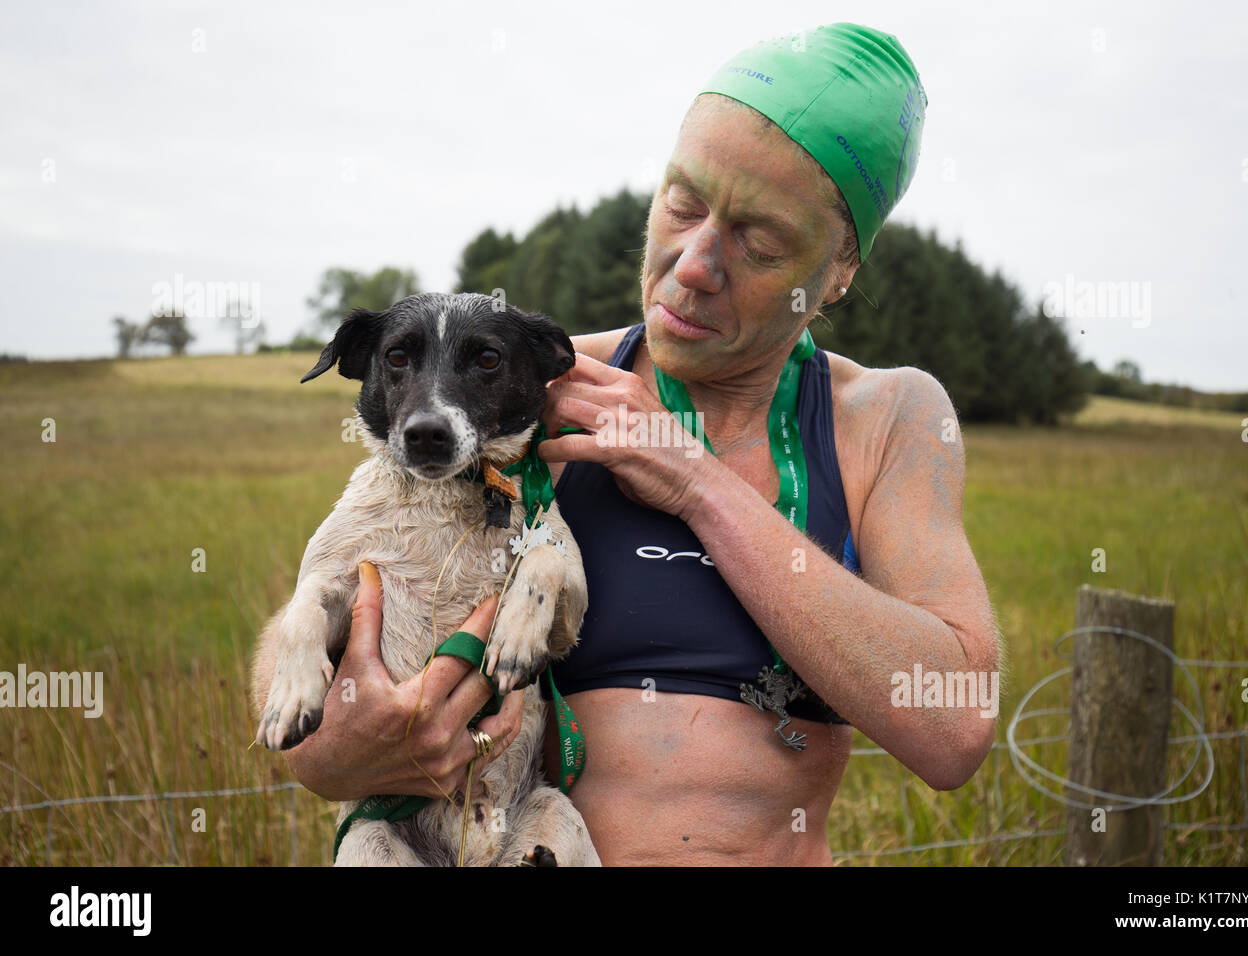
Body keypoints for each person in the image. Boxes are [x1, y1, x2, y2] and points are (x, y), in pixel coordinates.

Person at [254, 22, 1000, 866]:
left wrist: (698, 483)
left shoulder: (888, 419)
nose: (692, 265)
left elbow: (955, 729)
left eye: (758, 243)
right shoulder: (532, 390)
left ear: (838, 273)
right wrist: (345, 750)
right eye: (682, 204)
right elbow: (323, 656)